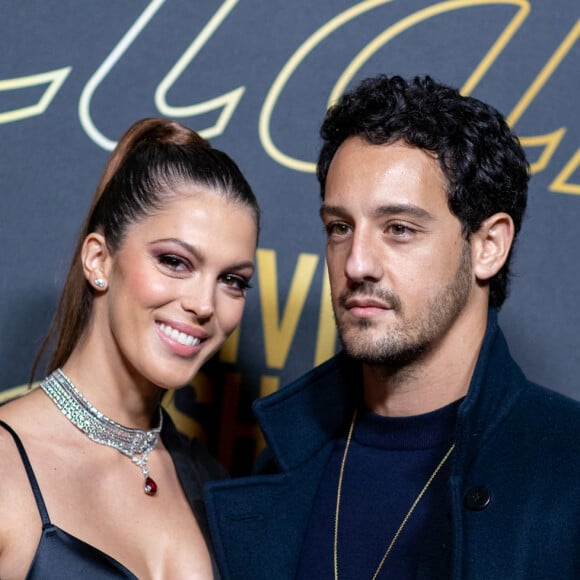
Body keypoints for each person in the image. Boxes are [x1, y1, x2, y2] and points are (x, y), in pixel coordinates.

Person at [204, 75, 580, 579]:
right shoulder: (282, 463)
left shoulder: (567, 464)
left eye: (398, 229)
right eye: (340, 227)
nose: (357, 264)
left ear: (488, 245)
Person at [0, 117, 260, 579]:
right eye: (175, 262)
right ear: (99, 260)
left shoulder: (216, 485)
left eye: (232, 281)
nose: (203, 304)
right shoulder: (6, 470)